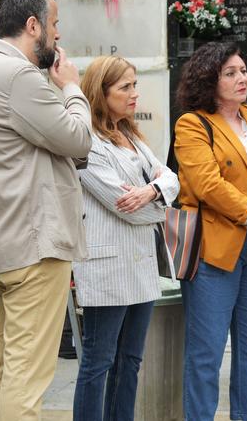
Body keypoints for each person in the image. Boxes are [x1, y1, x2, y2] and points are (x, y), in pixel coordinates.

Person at [0, 0, 92, 421]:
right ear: (32, 26)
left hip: (5, 243)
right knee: (28, 379)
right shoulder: (17, 76)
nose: (57, 36)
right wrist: (72, 88)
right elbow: (78, 138)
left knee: (6, 369)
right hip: (35, 246)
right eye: (54, 25)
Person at [71, 56, 179, 421]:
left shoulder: (131, 134)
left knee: (130, 359)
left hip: (140, 265)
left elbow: (171, 179)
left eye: (135, 85)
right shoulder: (86, 141)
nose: (135, 94)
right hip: (108, 267)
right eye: (125, 87)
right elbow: (122, 205)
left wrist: (151, 193)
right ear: (101, 93)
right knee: (99, 361)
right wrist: (158, 199)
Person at [174, 41, 247, 421]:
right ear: (209, 79)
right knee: (206, 354)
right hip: (214, 251)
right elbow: (207, 185)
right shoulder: (192, 123)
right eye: (230, 73)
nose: (241, 78)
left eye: (243, 71)